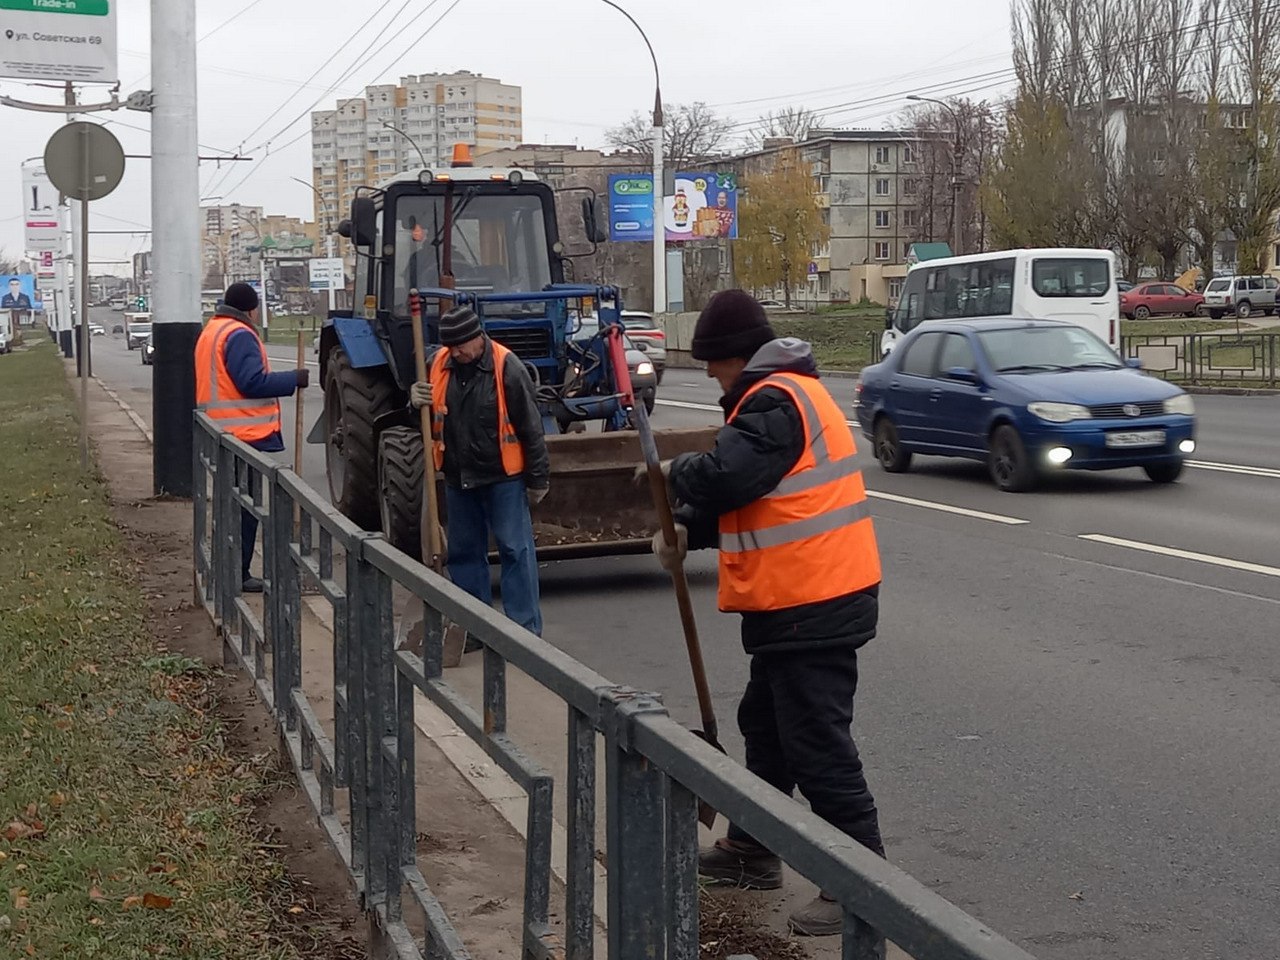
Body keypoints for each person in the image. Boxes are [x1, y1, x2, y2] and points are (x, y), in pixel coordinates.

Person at [651, 289, 884, 938]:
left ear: (736, 355)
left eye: (712, 361)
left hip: (816, 601)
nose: (707, 374)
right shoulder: (781, 398)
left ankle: (862, 885)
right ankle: (753, 851)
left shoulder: (776, 401)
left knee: (817, 745)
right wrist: (688, 534)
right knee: (767, 726)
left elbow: (728, 475)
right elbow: (759, 502)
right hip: (800, 602)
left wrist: (677, 474)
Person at [409, 305, 550, 635]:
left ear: (478, 337)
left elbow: (532, 428)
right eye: (451, 347)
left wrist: (538, 478)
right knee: (463, 555)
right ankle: (472, 629)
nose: (457, 353)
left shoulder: (507, 367)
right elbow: (428, 423)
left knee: (515, 550)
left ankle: (523, 633)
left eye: (462, 346)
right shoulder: (438, 365)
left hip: (504, 478)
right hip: (459, 478)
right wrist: (413, 403)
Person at [195, 282, 309, 593]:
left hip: (221, 433)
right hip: (243, 436)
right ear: (252, 309)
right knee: (245, 510)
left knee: (230, 507)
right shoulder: (240, 334)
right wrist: (294, 379)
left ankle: (225, 569)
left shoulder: (212, 331)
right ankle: (237, 574)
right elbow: (252, 383)